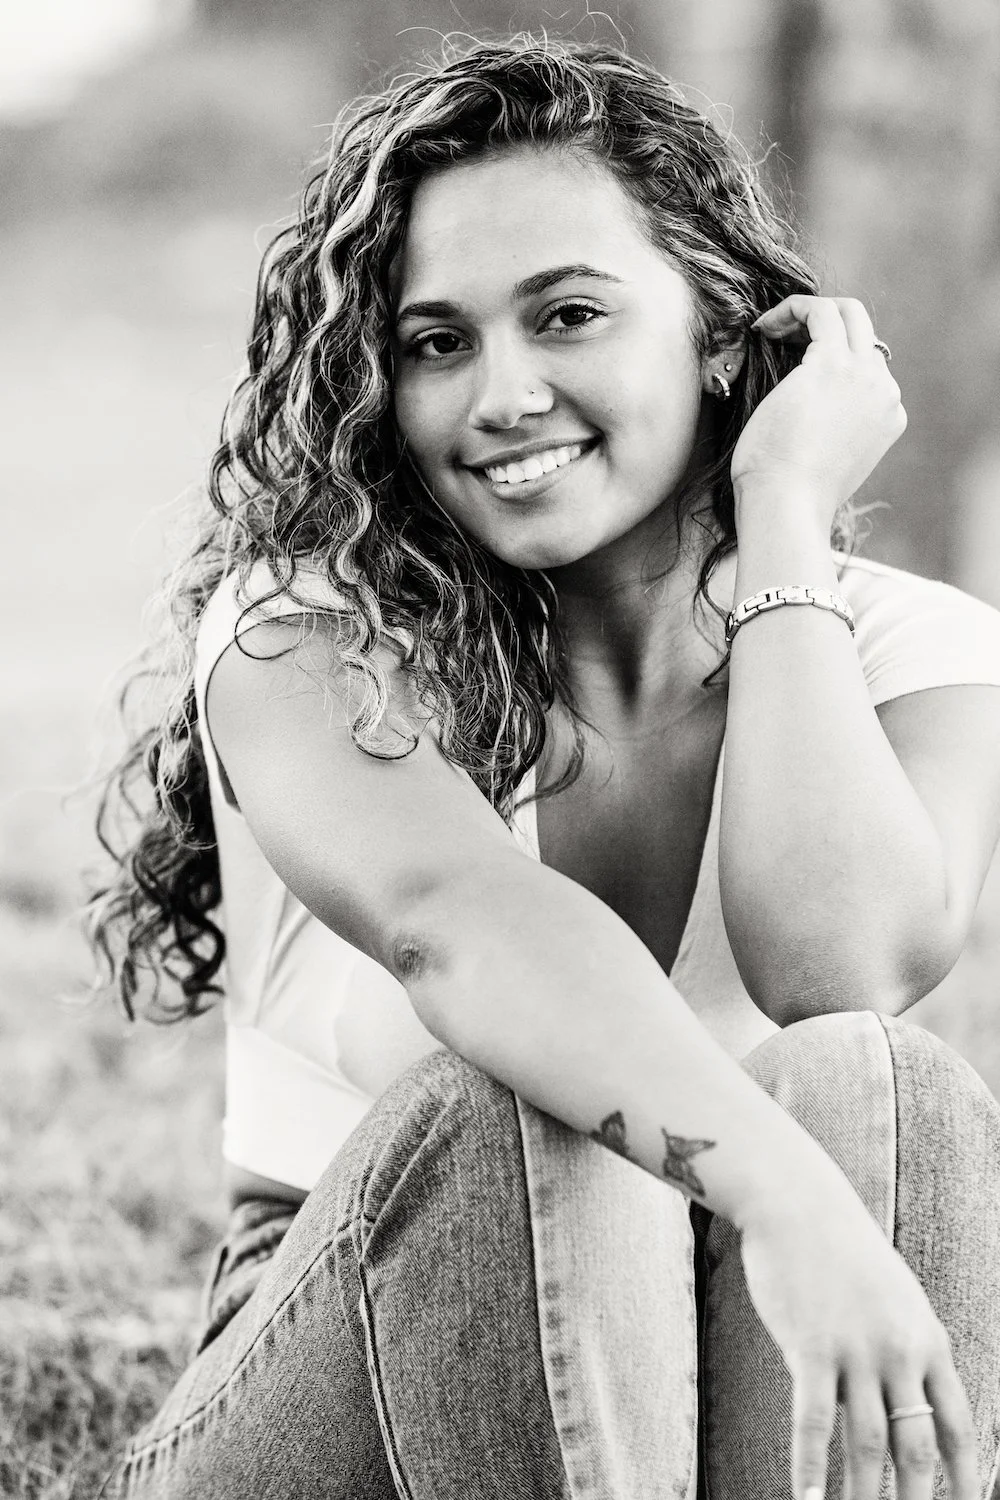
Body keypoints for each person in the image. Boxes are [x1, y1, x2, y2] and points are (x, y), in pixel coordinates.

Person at [89, 35, 1000, 1500]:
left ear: (720, 332)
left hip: (714, 1398)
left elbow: (838, 971)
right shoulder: (311, 628)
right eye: (437, 342)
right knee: (524, 1095)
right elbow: (456, 925)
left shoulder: (917, 654)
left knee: (882, 1077)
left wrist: (778, 520)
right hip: (334, 1398)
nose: (500, 396)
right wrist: (782, 1194)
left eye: (566, 315)